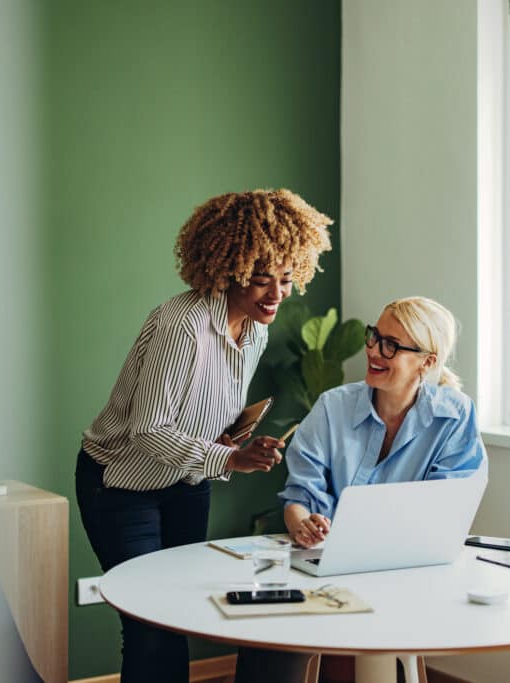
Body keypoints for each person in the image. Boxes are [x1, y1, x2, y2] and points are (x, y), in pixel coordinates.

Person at [76, 189, 333, 683]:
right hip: (121, 485)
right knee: (150, 623)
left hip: (187, 482)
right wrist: (229, 461)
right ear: (226, 268)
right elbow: (147, 429)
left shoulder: (253, 330)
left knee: (177, 611)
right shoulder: (181, 326)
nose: (276, 294)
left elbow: (205, 416)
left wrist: (238, 446)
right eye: (261, 280)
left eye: (285, 279)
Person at [235, 296, 487, 683]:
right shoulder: (332, 407)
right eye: (375, 336)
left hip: (408, 571)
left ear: (428, 361)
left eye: (392, 345)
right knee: (267, 622)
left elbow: (445, 507)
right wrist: (303, 522)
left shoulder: (455, 415)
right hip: (325, 564)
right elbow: (300, 495)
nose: (374, 350)